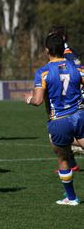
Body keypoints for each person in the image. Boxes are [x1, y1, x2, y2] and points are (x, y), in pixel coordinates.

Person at [24, 33, 84, 206]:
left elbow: (37, 101)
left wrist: (28, 98)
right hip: (79, 116)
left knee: (63, 158)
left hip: (59, 121)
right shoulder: (77, 68)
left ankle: (71, 198)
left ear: (47, 50)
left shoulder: (43, 72)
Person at [49, 25, 83, 167]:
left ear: (62, 38)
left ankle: (72, 156)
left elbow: (77, 74)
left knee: (56, 136)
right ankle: (72, 164)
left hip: (72, 100)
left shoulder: (68, 54)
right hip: (67, 99)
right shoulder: (64, 53)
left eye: (53, 37)